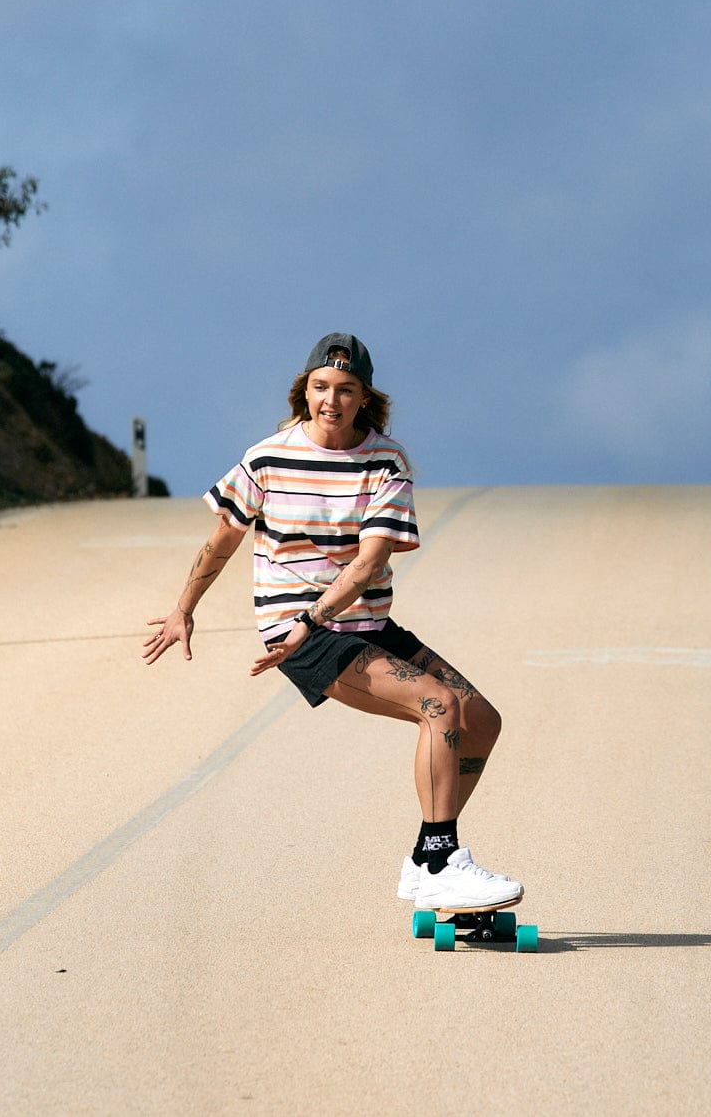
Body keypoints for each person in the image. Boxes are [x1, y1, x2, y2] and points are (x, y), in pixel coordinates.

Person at [143, 332, 521, 911]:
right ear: (304, 390)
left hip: (358, 623)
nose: (332, 400)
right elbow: (222, 540)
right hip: (298, 633)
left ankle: (425, 860)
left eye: (346, 390)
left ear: (364, 398)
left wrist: (317, 615)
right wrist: (183, 609)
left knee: (481, 720)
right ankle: (443, 861)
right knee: (437, 704)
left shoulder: (385, 461)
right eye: (321, 387)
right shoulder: (268, 457)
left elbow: (371, 562)